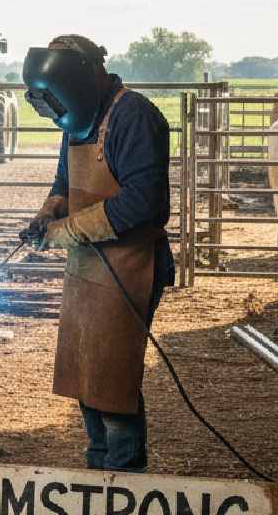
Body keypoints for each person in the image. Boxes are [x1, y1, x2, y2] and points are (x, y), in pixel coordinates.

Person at [20, 34, 173, 474]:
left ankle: (123, 476)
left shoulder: (133, 116)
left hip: (130, 266)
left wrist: (64, 230)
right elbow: (64, 182)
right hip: (87, 262)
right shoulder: (78, 118)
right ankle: (97, 468)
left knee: (113, 377)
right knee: (87, 370)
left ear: (80, 79)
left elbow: (144, 203)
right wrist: (47, 212)